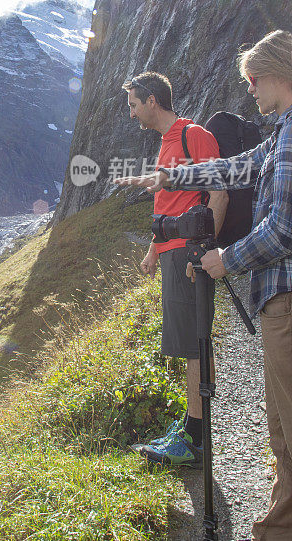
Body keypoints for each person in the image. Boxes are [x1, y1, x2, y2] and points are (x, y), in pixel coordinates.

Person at [116, 30, 292, 540]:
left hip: (285, 295)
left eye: (253, 81)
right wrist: (170, 180)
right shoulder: (279, 135)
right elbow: (237, 167)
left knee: (289, 423)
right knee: (279, 427)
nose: (250, 92)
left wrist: (225, 259)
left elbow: (283, 229)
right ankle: (278, 527)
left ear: (277, 72)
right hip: (274, 296)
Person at [121, 72, 228, 468]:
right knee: (187, 342)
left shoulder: (193, 135)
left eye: (133, 104)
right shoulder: (167, 144)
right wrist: (153, 250)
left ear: (152, 100)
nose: (131, 113)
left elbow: (219, 190)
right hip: (172, 251)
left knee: (192, 343)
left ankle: (196, 441)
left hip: (189, 253)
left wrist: (204, 250)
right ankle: (191, 428)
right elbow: (170, 206)